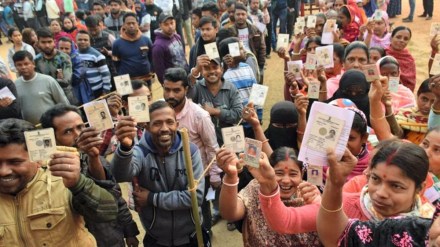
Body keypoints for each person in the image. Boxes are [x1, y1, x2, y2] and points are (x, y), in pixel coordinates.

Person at [0, 118, 118, 246]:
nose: (3, 171)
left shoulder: (63, 180)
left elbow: (108, 213)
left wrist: (78, 185)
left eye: (14, 162)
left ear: (38, 158)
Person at [40, 104, 140, 247]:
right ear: (52, 138)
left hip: (111, 238)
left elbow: (116, 197)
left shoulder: (96, 158)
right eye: (68, 131)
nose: (77, 135)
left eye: (80, 127)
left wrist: (129, 230)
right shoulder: (50, 173)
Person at [110, 100, 208, 246]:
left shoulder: (190, 151)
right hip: (157, 240)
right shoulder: (140, 151)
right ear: (146, 126)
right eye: (157, 123)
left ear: (177, 124)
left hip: (192, 235)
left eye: (170, 122)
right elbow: (120, 175)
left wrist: (152, 198)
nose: (164, 128)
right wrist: (125, 147)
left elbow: (196, 197)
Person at [318, 141, 434, 246]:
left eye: (396, 186)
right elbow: (334, 238)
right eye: (375, 179)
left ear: (420, 188)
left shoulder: (431, 228)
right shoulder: (343, 205)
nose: (381, 193)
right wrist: (333, 185)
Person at [216, 146, 322, 246]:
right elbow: (230, 214)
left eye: (293, 174)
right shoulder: (255, 187)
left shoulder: (309, 193)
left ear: (302, 174)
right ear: (269, 170)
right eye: (279, 173)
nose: (285, 180)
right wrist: (230, 177)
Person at [162, 67, 221, 233]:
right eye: (167, 89)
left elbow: (211, 147)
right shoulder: (159, 111)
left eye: (176, 90)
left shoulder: (199, 115)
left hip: (197, 177)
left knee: (201, 213)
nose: (170, 95)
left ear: (186, 90)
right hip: (168, 175)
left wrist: (215, 174)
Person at [187, 57, 243, 146]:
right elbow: (187, 95)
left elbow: (238, 115)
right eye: (207, 68)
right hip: (206, 145)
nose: (212, 71)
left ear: (221, 69)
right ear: (201, 71)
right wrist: (195, 72)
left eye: (215, 67)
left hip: (230, 143)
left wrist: (214, 111)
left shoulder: (231, 88)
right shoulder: (197, 87)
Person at [13, 50, 69, 125]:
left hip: (51, 125)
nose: (23, 67)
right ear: (15, 67)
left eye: (26, 64)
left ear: (33, 64)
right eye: (19, 65)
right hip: (30, 129)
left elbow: (63, 103)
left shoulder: (48, 80)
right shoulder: (15, 85)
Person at [34, 28, 77, 105]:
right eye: (43, 42)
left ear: (54, 42)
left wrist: (46, 82)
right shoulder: (36, 60)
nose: (47, 45)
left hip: (66, 97)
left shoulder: (64, 58)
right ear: (38, 43)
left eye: (49, 42)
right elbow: (37, 83)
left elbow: (66, 81)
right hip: (47, 100)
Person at [112, 12, 153, 88]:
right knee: (126, 100)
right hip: (125, 81)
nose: (131, 26)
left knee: (148, 99)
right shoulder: (117, 43)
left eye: (133, 23)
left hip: (145, 79)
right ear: (124, 25)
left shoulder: (146, 40)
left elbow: (151, 58)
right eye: (128, 23)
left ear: (137, 24)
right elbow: (116, 63)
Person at [227, 3, 266, 84]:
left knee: (250, 60)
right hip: (236, 60)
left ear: (246, 15)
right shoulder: (229, 31)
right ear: (234, 15)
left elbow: (262, 48)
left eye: (243, 14)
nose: (240, 16)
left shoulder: (255, 30)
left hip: (252, 59)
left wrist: (261, 66)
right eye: (238, 14)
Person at [152, 13, 188, 84]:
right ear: (160, 25)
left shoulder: (177, 36)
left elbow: (183, 58)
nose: (170, 26)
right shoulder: (158, 46)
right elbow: (159, 70)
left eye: (172, 23)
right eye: (166, 24)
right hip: (173, 83)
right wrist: (166, 86)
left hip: (185, 78)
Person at [58, 36, 94, 105]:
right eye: (61, 48)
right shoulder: (56, 60)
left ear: (72, 49)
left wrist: (63, 78)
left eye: (67, 48)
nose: (63, 51)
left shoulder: (78, 60)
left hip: (78, 91)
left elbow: (76, 77)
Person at [77, 30, 112, 99]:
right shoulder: (75, 55)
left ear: (90, 42)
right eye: (80, 39)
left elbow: (106, 74)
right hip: (83, 91)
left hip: (97, 91)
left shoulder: (97, 56)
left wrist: (105, 91)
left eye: (85, 40)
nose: (82, 42)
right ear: (75, 41)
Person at [385, 26, 416, 92]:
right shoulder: (383, 54)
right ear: (391, 38)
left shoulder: (409, 59)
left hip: (403, 95)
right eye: (398, 37)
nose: (402, 40)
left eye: (405, 39)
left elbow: (411, 83)